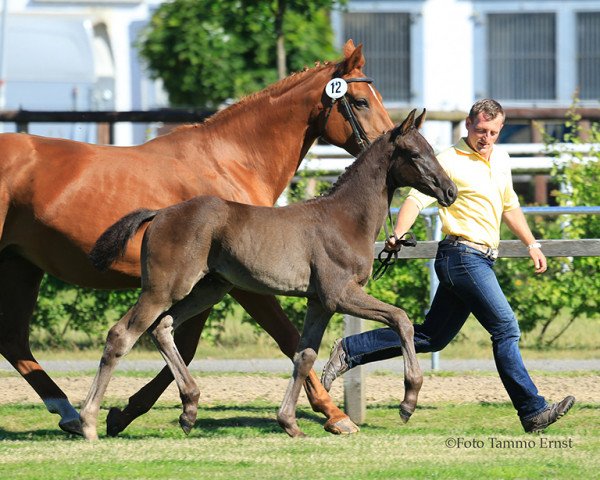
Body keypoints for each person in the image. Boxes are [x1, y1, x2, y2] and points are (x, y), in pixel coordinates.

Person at [321, 99, 575, 433]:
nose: (486, 138)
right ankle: (532, 410)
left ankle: (350, 350)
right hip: (461, 257)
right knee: (506, 328)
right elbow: (415, 199)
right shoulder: (449, 160)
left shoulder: (501, 158)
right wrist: (398, 232)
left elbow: (509, 205)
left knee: (432, 336)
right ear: (468, 125)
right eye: (481, 130)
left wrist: (532, 243)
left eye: (494, 132)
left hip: (481, 258)